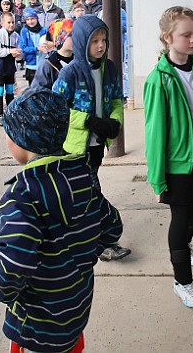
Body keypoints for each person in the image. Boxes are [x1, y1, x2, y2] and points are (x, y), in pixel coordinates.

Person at [0, 88, 123, 353]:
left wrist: (1, 288)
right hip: (76, 309)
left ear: (21, 140)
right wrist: (85, 255)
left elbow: (14, 262)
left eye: (9, 132)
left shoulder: (21, 196)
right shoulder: (83, 177)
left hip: (36, 325)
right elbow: (112, 227)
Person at [142, 6, 193, 308]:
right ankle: (183, 282)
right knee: (180, 219)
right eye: (186, 35)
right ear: (168, 38)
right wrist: (157, 180)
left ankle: (185, 243)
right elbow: (155, 134)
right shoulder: (158, 80)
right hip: (177, 166)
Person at [53, 14, 131, 263]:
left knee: (84, 194)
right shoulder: (71, 73)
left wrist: (115, 121)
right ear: (80, 42)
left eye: (104, 40)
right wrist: (86, 120)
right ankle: (103, 242)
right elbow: (56, 108)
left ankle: (79, 237)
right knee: (91, 193)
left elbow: (117, 99)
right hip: (74, 147)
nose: (100, 45)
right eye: (94, 40)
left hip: (97, 146)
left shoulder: (109, 69)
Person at [0, 11, 20, 125]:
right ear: (2, 23)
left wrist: (17, 54)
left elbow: (19, 50)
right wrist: (9, 51)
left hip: (10, 67)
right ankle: (0, 115)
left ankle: (10, 113)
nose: (11, 25)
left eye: (13, 22)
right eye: (8, 22)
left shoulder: (16, 36)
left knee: (10, 91)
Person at [31, 18, 73, 90]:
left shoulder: (79, 60)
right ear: (60, 39)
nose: (76, 38)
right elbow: (37, 93)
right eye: (70, 35)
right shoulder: (47, 65)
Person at [18, 8, 46, 86]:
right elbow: (24, 48)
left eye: (32, 18)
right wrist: (36, 49)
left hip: (43, 65)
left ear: (36, 18)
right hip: (31, 65)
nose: (30, 21)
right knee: (33, 89)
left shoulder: (44, 30)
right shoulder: (24, 31)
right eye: (28, 19)